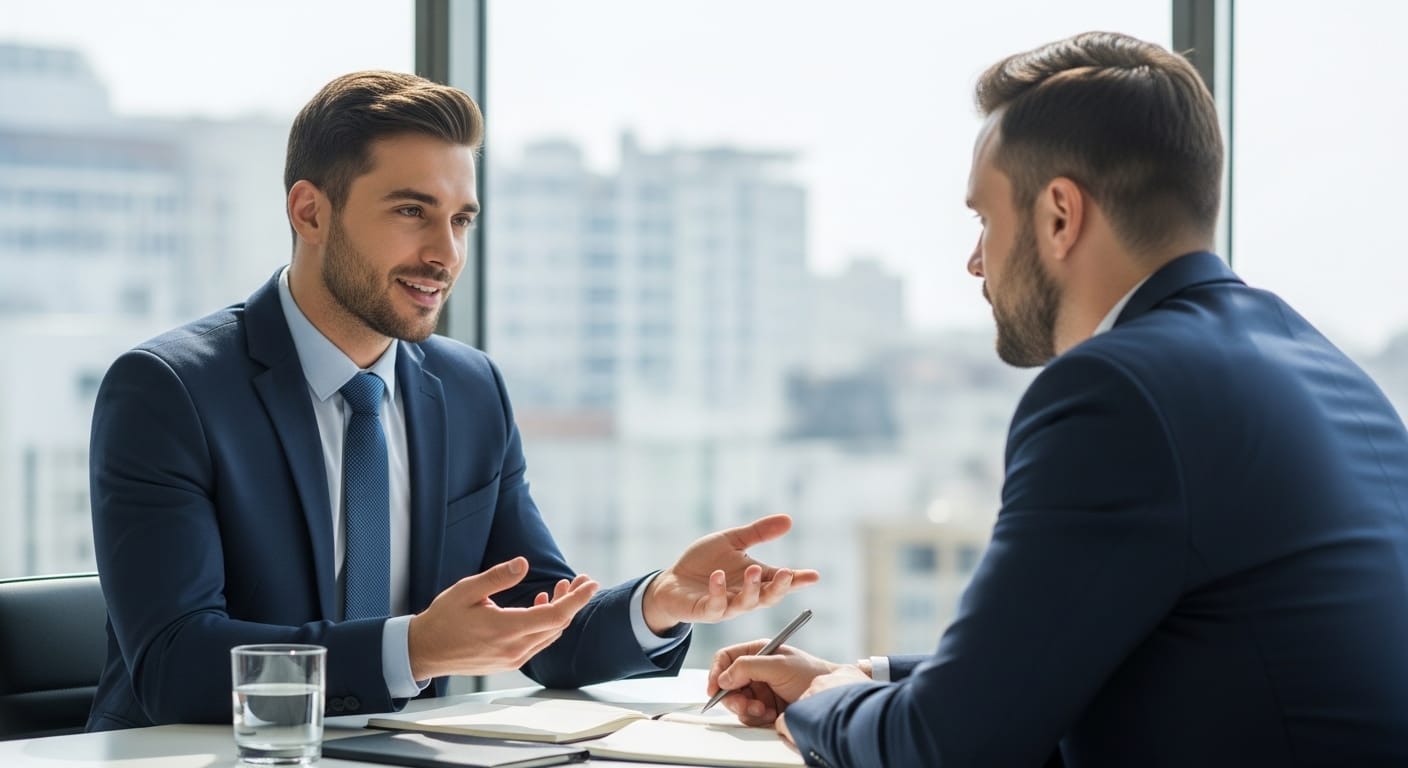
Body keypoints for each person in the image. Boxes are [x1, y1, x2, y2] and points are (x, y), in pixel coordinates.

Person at [707, 30, 1408, 767]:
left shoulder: (1117, 393)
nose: (974, 261)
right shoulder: (1328, 371)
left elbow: (949, 748)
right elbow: (1090, 661)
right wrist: (858, 679)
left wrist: (820, 708)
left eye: (984, 219)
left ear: (1060, 216)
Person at [86, 70, 818, 731]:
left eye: (461, 219)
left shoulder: (470, 390)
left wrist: (659, 600)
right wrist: (414, 648)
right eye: (412, 211)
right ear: (310, 213)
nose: (446, 252)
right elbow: (175, 666)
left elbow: (540, 625)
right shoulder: (169, 391)